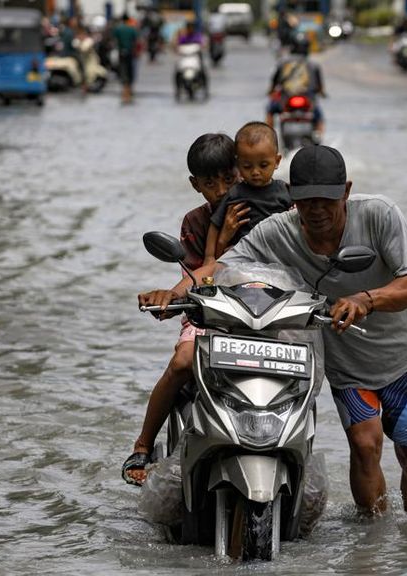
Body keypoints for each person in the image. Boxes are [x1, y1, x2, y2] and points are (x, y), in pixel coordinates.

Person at [139, 145, 407, 514]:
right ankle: (372, 536)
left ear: (346, 191)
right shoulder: (277, 231)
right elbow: (219, 268)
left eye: (326, 201)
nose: (317, 211)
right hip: (347, 367)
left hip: (404, 357)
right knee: (364, 444)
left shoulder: (380, 215)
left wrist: (366, 300)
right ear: (293, 197)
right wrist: (174, 294)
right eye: (307, 201)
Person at [122, 133, 239, 486]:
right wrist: (171, 297)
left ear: (242, 172)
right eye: (210, 183)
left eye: (228, 179)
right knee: (183, 362)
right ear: (195, 184)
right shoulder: (196, 222)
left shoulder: (266, 209)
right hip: (209, 312)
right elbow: (200, 276)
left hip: (263, 317)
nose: (221, 190)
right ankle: (143, 444)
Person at [205, 122, 292, 262]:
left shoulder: (285, 190)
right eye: (247, 166)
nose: (255, 172)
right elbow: (215, 225)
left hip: (278, 256)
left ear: (277, 161)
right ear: (238, 164)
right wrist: (209, 257)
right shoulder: (235, 193)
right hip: (243, 255)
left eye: (263, 165)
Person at [265, 33, 327, 140]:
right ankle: (318, 133)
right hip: (307, 99)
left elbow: (275, 81)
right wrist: (322, 93)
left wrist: (271, 91)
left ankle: (269, 136)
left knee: (270, 110)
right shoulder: (313, 65)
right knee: (318, 116)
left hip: (286, 99)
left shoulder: (282, 63)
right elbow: (319, 85)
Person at [111, 14, 139, 103]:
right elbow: (136, 41)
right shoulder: (131, 29)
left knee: (123, 71)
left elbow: (114, 40)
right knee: (130, 71)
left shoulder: (118, 29)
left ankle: (124, 91)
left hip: (121, 53)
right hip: (130, 53)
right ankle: (129, 90)